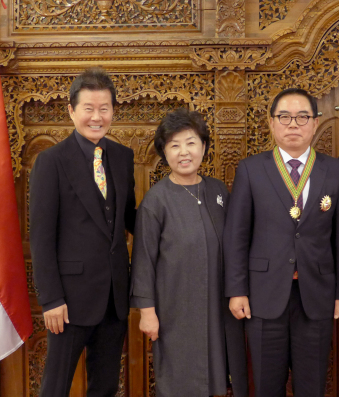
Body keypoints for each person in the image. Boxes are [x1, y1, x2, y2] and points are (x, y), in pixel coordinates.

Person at [224, 88, 339, 397]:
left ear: (314, 123)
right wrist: (237, 290)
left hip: (317, 295)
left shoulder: (336, 172)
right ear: (272, 124)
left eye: (302, 117)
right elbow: (236, 237)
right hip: (262, 295)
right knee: (267, 385)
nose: (293, 124)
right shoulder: (251, 170)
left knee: (311, 385)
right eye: (284, 117)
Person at [29, 67, 136, 397]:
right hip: (69, 302)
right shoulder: (50, 161)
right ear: (72, 111)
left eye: (104, 109)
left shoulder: (122, 156)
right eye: (88, 108)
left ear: (113, 111)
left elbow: (129, 217)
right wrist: (51, 300)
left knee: (105, 387)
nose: (97, 117)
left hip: (114, 298)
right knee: (55, 387)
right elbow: (41, 237)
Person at [130, 108, 248, 397]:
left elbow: (236, 245)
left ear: (204, 147)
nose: (184, 152)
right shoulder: (155, 201)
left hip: (220, 307)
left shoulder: (218, 190)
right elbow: (143, 260)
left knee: (220, 381)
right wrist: (147, 313)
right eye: (174, 145)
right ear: (164, 152)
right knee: (179, 381)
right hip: (175, 310)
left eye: (191, 142)